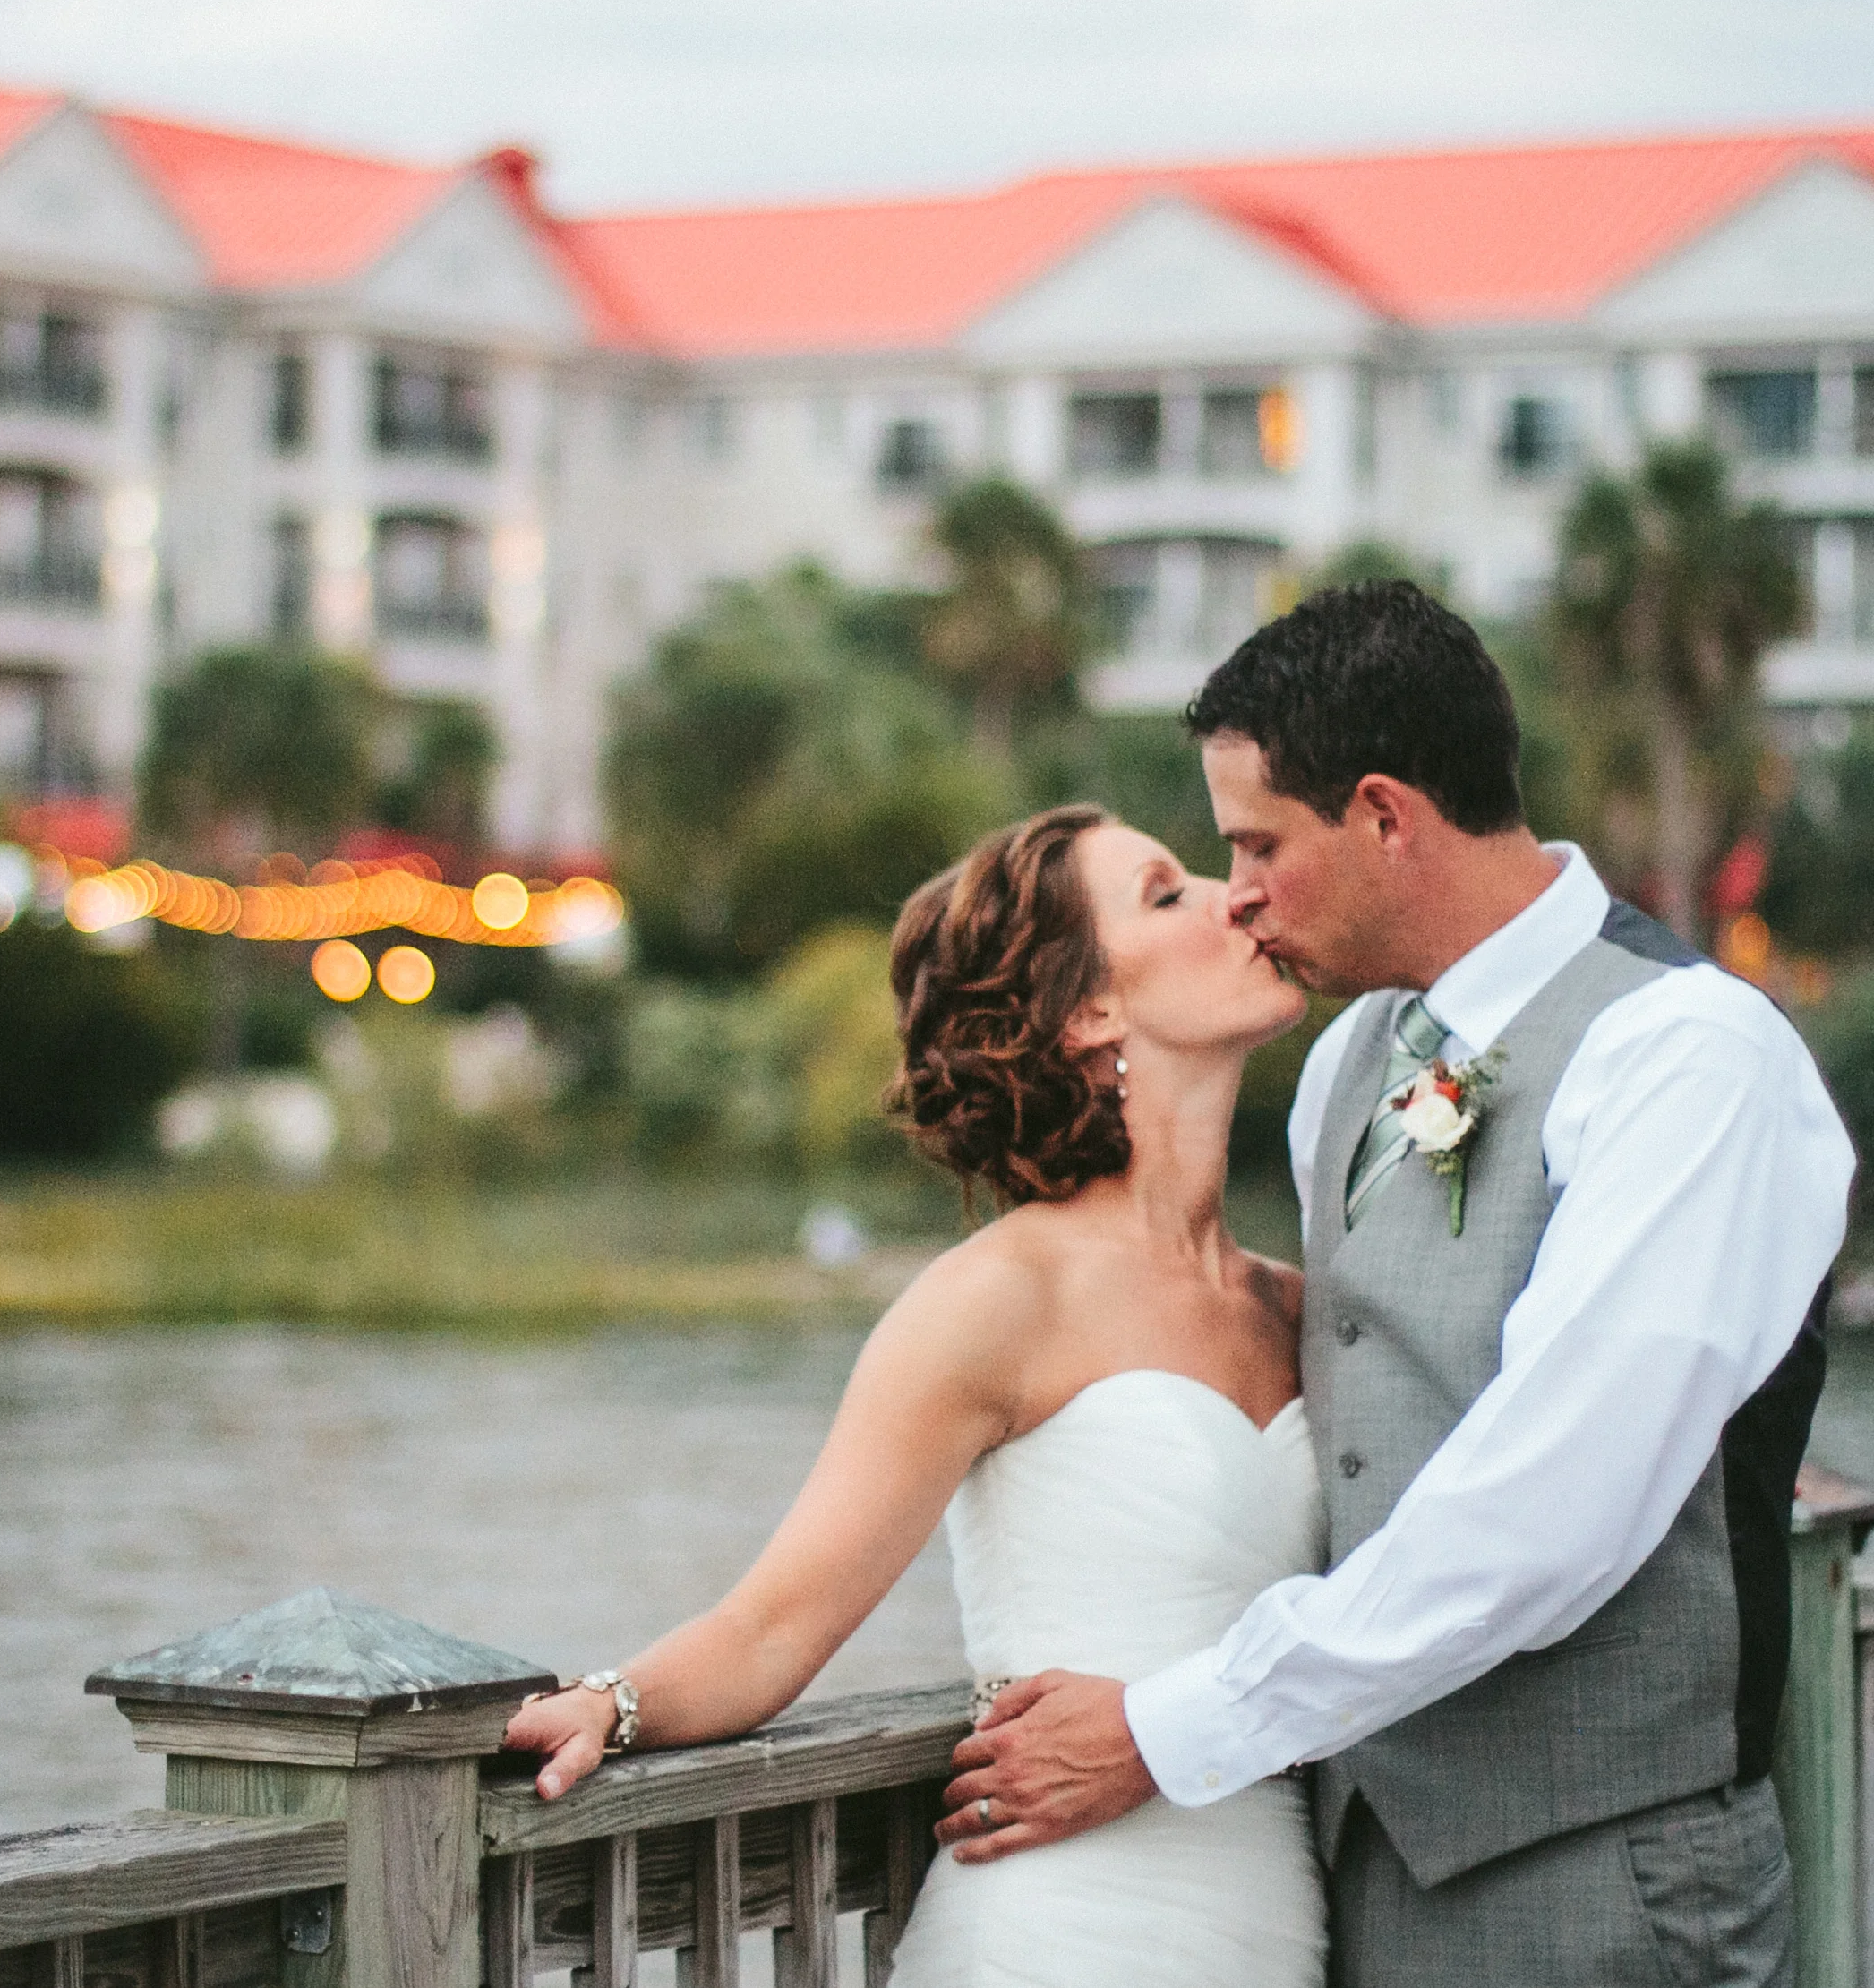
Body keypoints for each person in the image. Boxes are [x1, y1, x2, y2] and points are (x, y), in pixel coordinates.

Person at [946, 581, 1853, 1986]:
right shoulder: (1346, 1064)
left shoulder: (1688, 1055)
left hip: (1605, 1883)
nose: (1235, 890)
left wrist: (1168, 1726)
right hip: (1353, 1876)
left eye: (1256, 842)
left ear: (1382, 814)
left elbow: (1552, 1509)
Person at [508, 802, 1331, 1987]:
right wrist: (608, 1701)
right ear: (1088, 1006)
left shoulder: (1301, 1308)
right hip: (1061, 1930)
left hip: (1276, 1924)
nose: (1233, 895)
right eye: (1167, 891)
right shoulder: (994, 1299)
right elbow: (769, 1627)